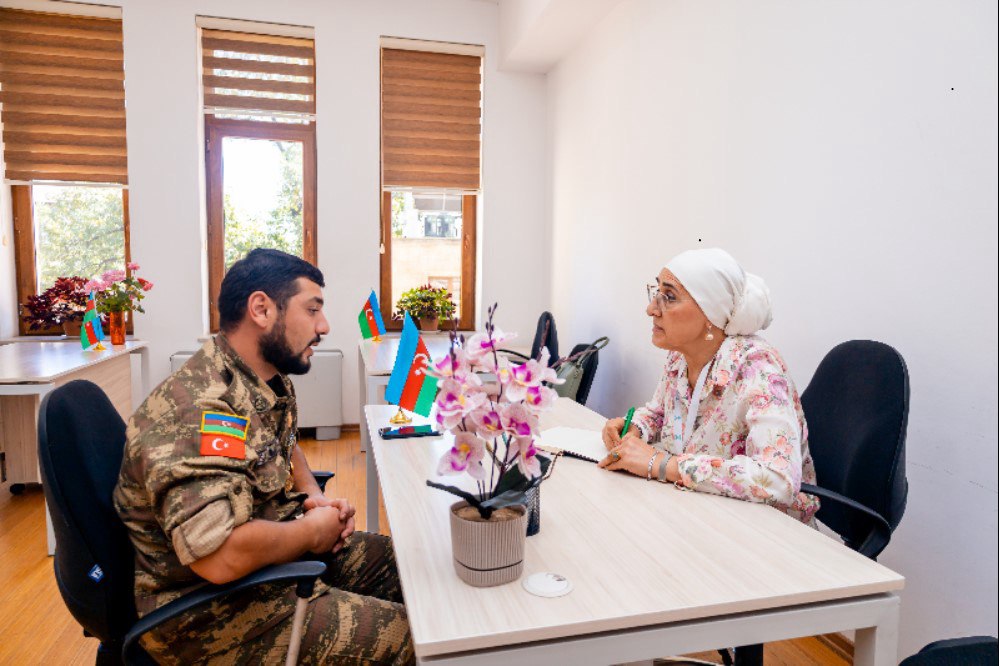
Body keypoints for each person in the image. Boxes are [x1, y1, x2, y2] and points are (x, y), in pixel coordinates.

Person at [113, 249, 414, 664]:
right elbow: (219, 557)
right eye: (312, 310)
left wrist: (313, 496)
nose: (323, 326)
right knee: (416, 641)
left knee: (414, 570)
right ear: (261, 309)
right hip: (213, 617)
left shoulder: (262, 378)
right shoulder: (196, 410)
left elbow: (283, 445)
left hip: (268, 569)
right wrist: (312, 532)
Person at [599, 248, 819, 524]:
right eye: (656, 293)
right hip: (699, 514)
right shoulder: (679, 357)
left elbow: (778, 480)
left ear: (710, 315)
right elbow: (660, 413)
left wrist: (663, 464)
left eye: (669, 297)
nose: (651, 309)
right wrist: (635, 427)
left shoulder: (758, 369)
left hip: (765, 533)